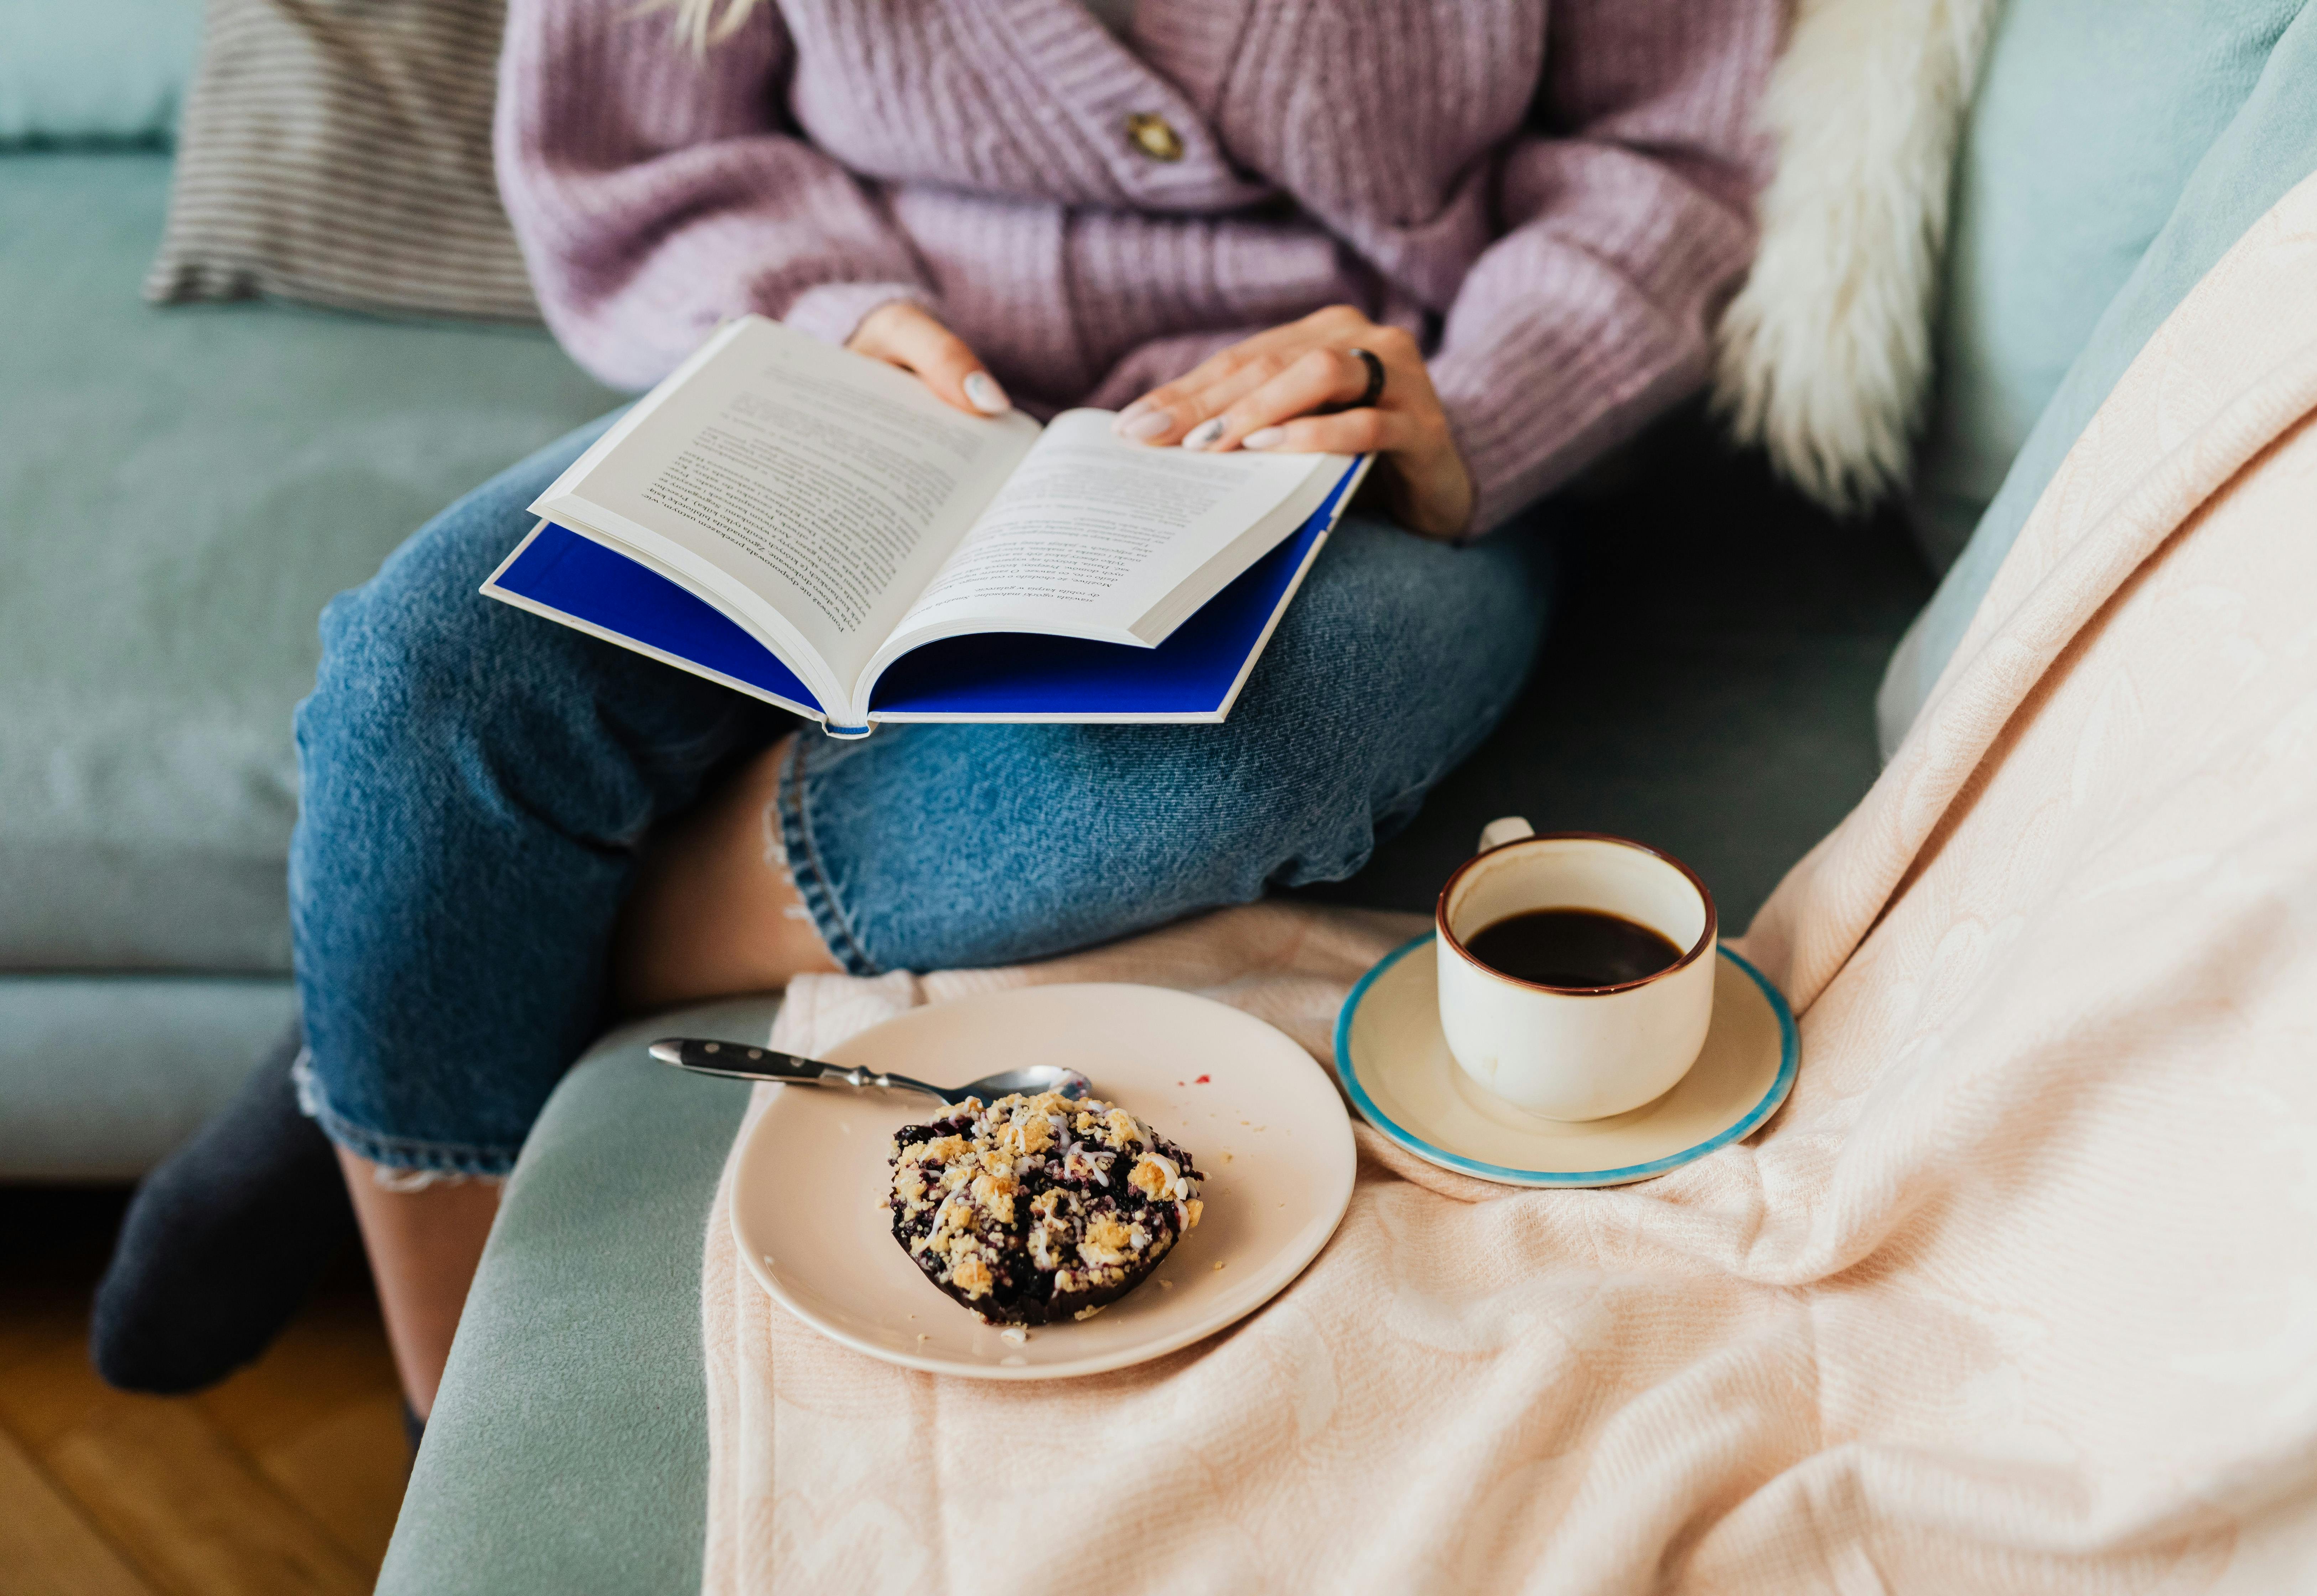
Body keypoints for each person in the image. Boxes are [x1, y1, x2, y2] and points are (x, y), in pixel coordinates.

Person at [94, 0, 1776, 1430]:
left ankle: (408, 980)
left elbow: (1672, 146)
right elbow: (633, 146)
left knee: (1181, 747)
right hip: (852, 397)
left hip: (1354, 431)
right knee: (425, 684)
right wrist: (833, 316)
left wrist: (1473, 406)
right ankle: (455, 1444)